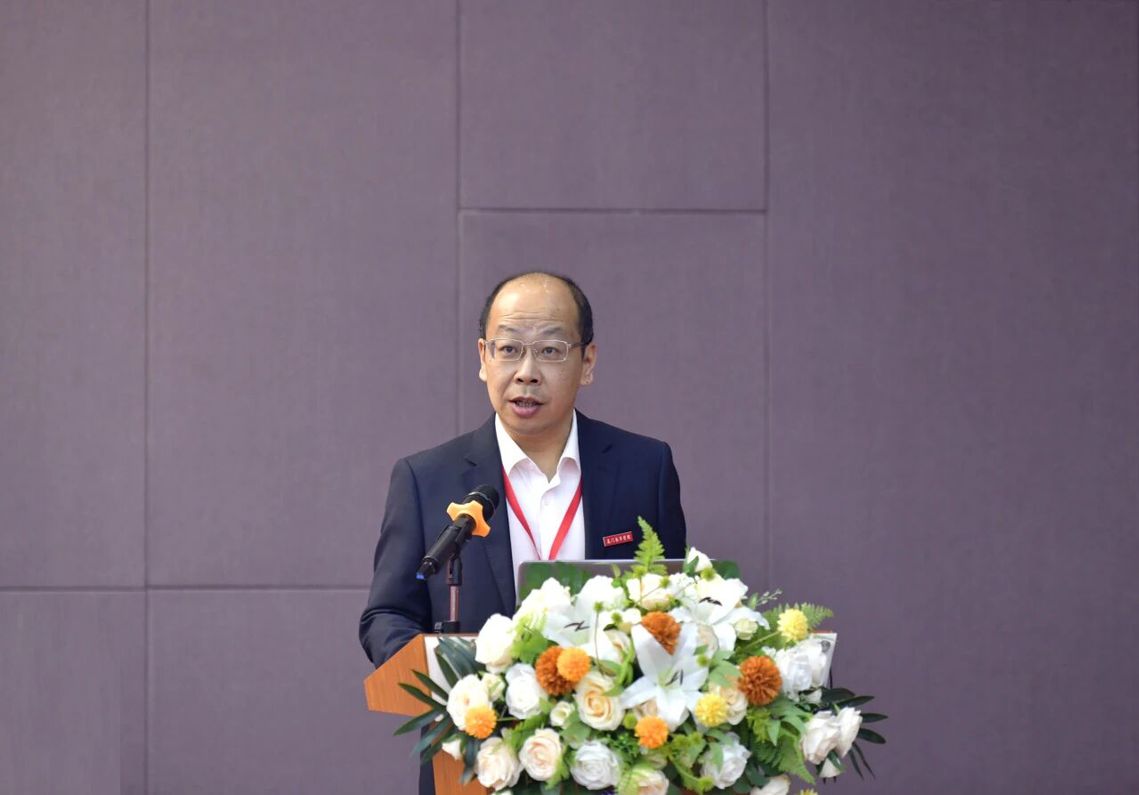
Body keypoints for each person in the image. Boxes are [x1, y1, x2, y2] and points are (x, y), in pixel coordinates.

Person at [358, 272, 686, 791]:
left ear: (588, 361)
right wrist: (453, 682)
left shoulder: (644, 467)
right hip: (478, 761)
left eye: (550, 351)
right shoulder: (426, 478)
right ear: (483, 357)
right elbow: (387, 615)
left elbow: (676, 608)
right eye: (509, 349)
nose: (526, 373)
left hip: (614, 759)